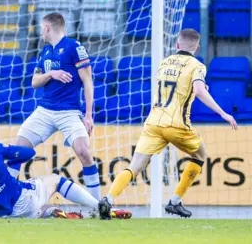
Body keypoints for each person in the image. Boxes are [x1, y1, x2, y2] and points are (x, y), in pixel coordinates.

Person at [98, 29, 238, 220]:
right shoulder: (197, 65)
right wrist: (223, 113)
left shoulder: (164, 63)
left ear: (177, 45)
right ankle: (175, 201)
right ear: (197, 48)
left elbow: (177, 84)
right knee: (201, 155)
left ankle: (108, 199)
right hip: (176, 124)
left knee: (135, 165)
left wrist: (197, 86)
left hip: (153, 123)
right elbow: (197, 90)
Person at [7, 12, 102, 201]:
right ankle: (4, 200)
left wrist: (89, 115)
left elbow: (88, 81)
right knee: (17, 150)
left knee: (84, 152)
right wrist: (51, 74)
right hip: (44, 111)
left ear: (47, 27)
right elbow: (34, 81)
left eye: (42, 28)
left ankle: (97, 206)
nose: (40, 32)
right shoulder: (45, 51)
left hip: (69, 112)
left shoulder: (74, 47)